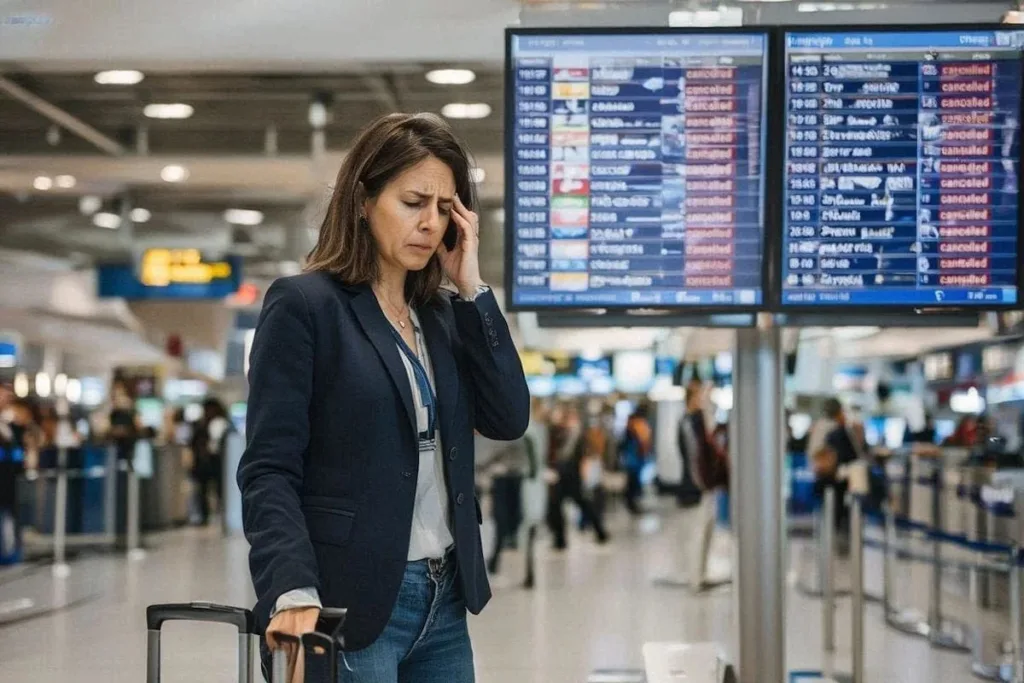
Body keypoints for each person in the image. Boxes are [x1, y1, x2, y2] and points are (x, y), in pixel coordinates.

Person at [239, 112, 530, 683]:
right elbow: (269, 467)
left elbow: (508, 416)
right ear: (363, 201)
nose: (430, 223)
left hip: (444, 603)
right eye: (413, 201)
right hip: (349, 601)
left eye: (445, 209)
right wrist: (291, 590)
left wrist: (471, 288)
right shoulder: (305, 307)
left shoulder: (444, 317)